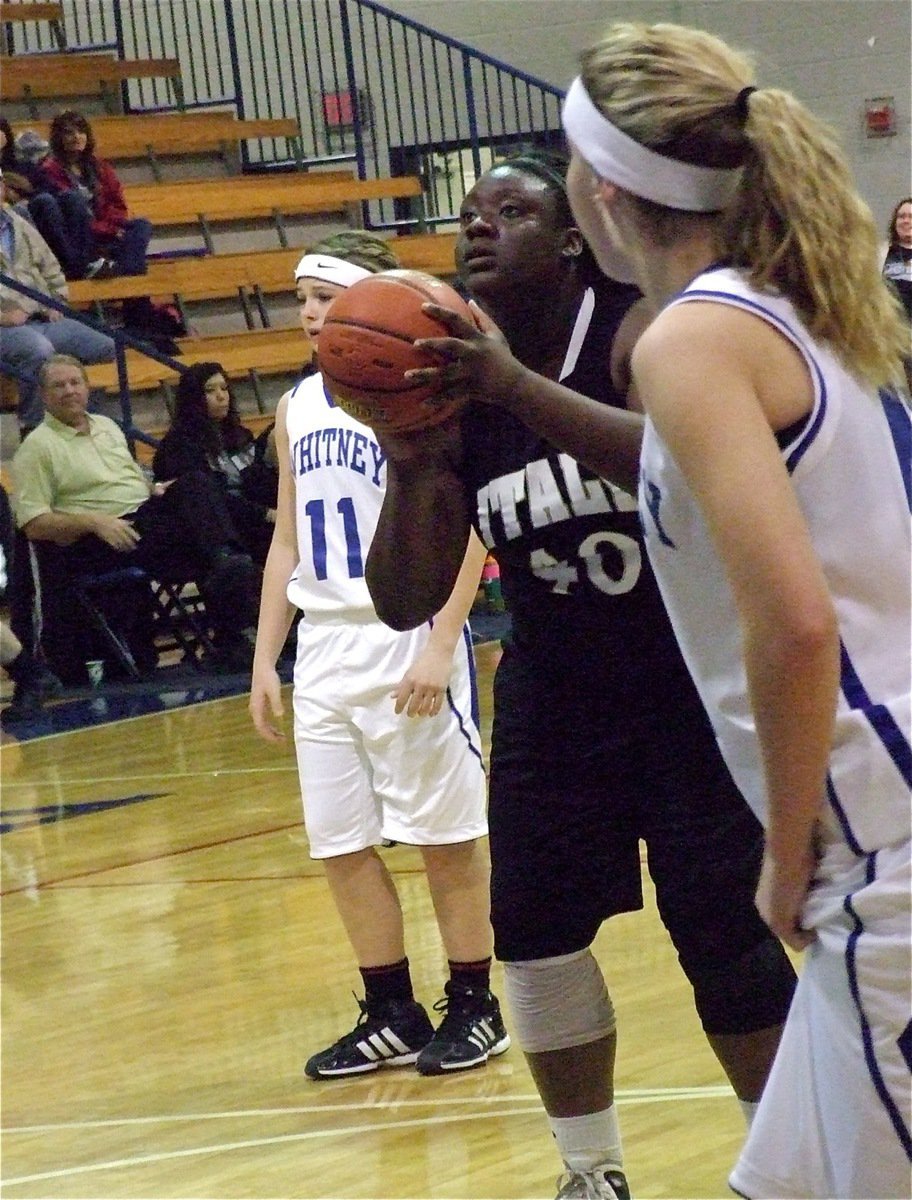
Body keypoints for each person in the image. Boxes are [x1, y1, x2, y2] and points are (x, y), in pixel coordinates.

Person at [387, 24, 909, 1200]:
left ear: (596, 194)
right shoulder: (786, 304)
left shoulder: (689, 336)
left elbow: (799, 623)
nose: (483, 223)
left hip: (881, 828)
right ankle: (594, 1174)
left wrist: (782, 851)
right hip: (869, 817)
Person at [364, 150, 799, 1200]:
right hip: (557, 698)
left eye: (510, 210)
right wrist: (414, 461)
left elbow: (688, 469)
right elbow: (401, 598)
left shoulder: (640, 329)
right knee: (535, 933)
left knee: (726, 938)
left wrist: (516, 388)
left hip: (691, 688)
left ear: (568, 239)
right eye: (467, 215)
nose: (479, 228)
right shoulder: (453, 372)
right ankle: (589, 1174)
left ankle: (790, 1166)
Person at [249, 230, 510, 1081]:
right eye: (301, 300)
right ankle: (389, 1009)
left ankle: (475, 1003)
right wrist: (266, 658)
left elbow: (471, 526)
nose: (310, 313)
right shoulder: (295, 408)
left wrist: (441, 643)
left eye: (326, 297)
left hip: (407, 634)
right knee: (340, 843)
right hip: (324, 643)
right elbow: (287, 538)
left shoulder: (421, 398)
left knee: (444, 837)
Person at [10, 355, 263, 681]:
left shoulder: (107, 426)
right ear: (44, 395)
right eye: (59, 385)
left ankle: (230, 595)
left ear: (87, 388)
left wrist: (155, 488)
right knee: (208, 533)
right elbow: (33, 524)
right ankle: (232, 611)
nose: (70, 391)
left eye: (75, 382)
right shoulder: (37, 448)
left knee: (200, 486)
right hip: (100, 537)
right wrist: (95, 522)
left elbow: (126, 481)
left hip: (143, 517)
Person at [0, 171, 115, 434]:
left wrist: (57, 301)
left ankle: (85, 424)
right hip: (5, 326)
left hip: (41, 315)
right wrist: (3, 318)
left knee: (105, 346)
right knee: (39, 350)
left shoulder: (19, 223)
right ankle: (34, 429)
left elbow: (51, 267)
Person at [152, 363, 275, 565]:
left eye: (224, 388)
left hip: (254, 518)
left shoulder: (241, 435)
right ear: (193, 398)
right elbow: (206, 498)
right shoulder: (178, 445)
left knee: (278, 428)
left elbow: (258, 481)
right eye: (210, 390)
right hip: (217, 532)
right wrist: (267, 514)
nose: (221, 396)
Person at [35, 110, 152, 282]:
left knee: (141, 225)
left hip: (105, 231)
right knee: (72, 199)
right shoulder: (50, 170)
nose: (77, 137)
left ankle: (123, 273)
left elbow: (118, 205)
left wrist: (112, 228)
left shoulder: (100, 167)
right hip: (79, 236)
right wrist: (107, 230)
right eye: (69, 133)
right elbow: (66, 216)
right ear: (58, 138)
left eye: (81, 132)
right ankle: (129, 285)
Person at [882, 196, 912, 322]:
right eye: (901, 216)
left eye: (911, 217)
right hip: (890, 329)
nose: (906, 221)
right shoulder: (881, 254)